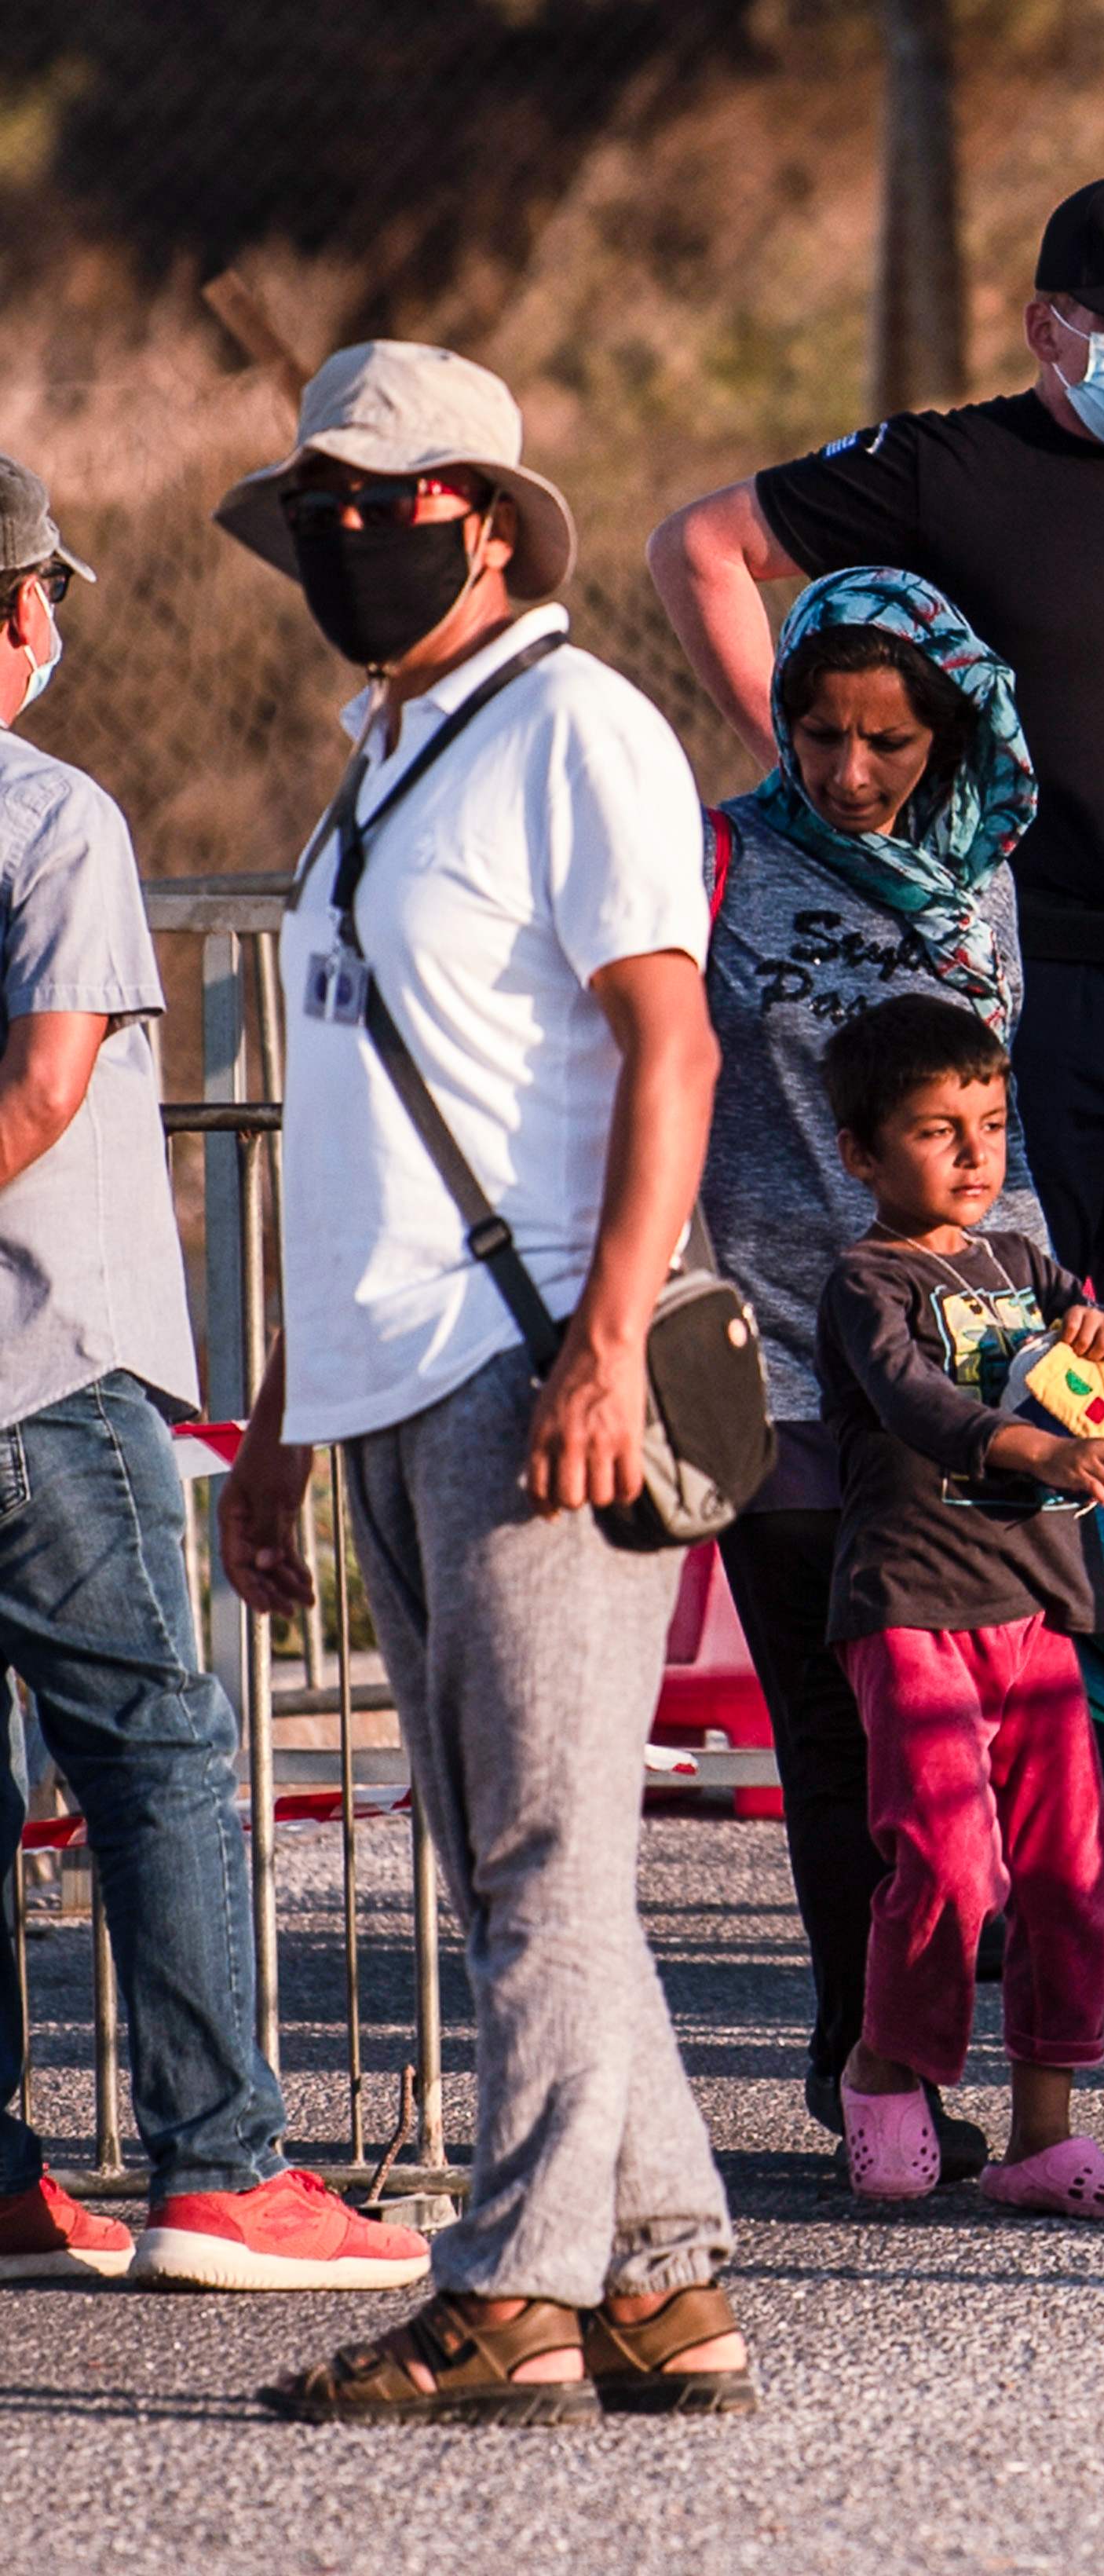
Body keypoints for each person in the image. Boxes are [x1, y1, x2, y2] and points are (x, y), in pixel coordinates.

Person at [649, 169, 1104, 1975]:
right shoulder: (946, 468)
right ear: (1047, 325)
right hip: (1027, 995)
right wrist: (833, 776)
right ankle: (994, 1826)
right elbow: (700, 546)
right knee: (1004, 1371)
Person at [210, 342, 751, 2421]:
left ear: (492, 521)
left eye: (386, 503)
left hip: (536, 1370)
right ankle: (664, 2276)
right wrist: (276, 1422)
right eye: (319, 513)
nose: (344, 541)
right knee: (518, 1860)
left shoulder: (575, 727)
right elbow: (357, 1126)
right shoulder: (381, 758)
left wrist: (610, 1339)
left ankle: (516, 2288)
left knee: (533, 1854)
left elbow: (669, 1045)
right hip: (394, 1369)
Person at [0, 461, 429, 2295]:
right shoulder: (50, 815)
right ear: (19, 611)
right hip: (40, 1354)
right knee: (162, 1751)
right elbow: (45, 1081)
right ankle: (221, 2160)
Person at [699, 566, 1044, 2169]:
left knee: (987, 1733)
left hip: (963, 1377)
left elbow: (1004, 1119)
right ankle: (868, 2075)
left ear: (949, 729)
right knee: (834, 1750)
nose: (849, 773)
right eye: (822, 734)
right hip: (776, 1366)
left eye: (888, 741)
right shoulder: (724, 858)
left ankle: (936, 2034)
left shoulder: (988, 875)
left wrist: (1043, 1342)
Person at [814, 996, 1104, 2218]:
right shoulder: (865, 1280)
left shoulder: (1021, 1263)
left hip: (1036, 1606)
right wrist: (1034, 1451)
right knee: (951, 1861)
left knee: (1075, 1869)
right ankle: (883, 2069)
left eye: (990, 1123)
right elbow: (915, 1402)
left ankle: (1044, 2137)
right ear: (863, 1152)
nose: (977, 1156)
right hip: (912, 1601)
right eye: (938, 1131)